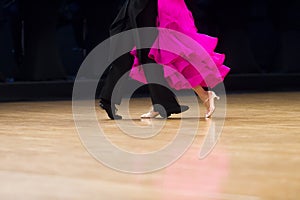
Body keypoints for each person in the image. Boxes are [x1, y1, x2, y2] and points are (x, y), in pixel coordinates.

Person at [129, 0, 230, 118]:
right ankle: (161, 103)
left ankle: (204, 95)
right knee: (165, 54)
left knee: (174, 53)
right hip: (163, 7)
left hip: (168, 9)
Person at [99, 0, 189, 120]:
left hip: (137, 7)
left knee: (129, 56)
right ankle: (164, 104)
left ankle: (164, 103)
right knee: (149, 55)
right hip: (142, 7)